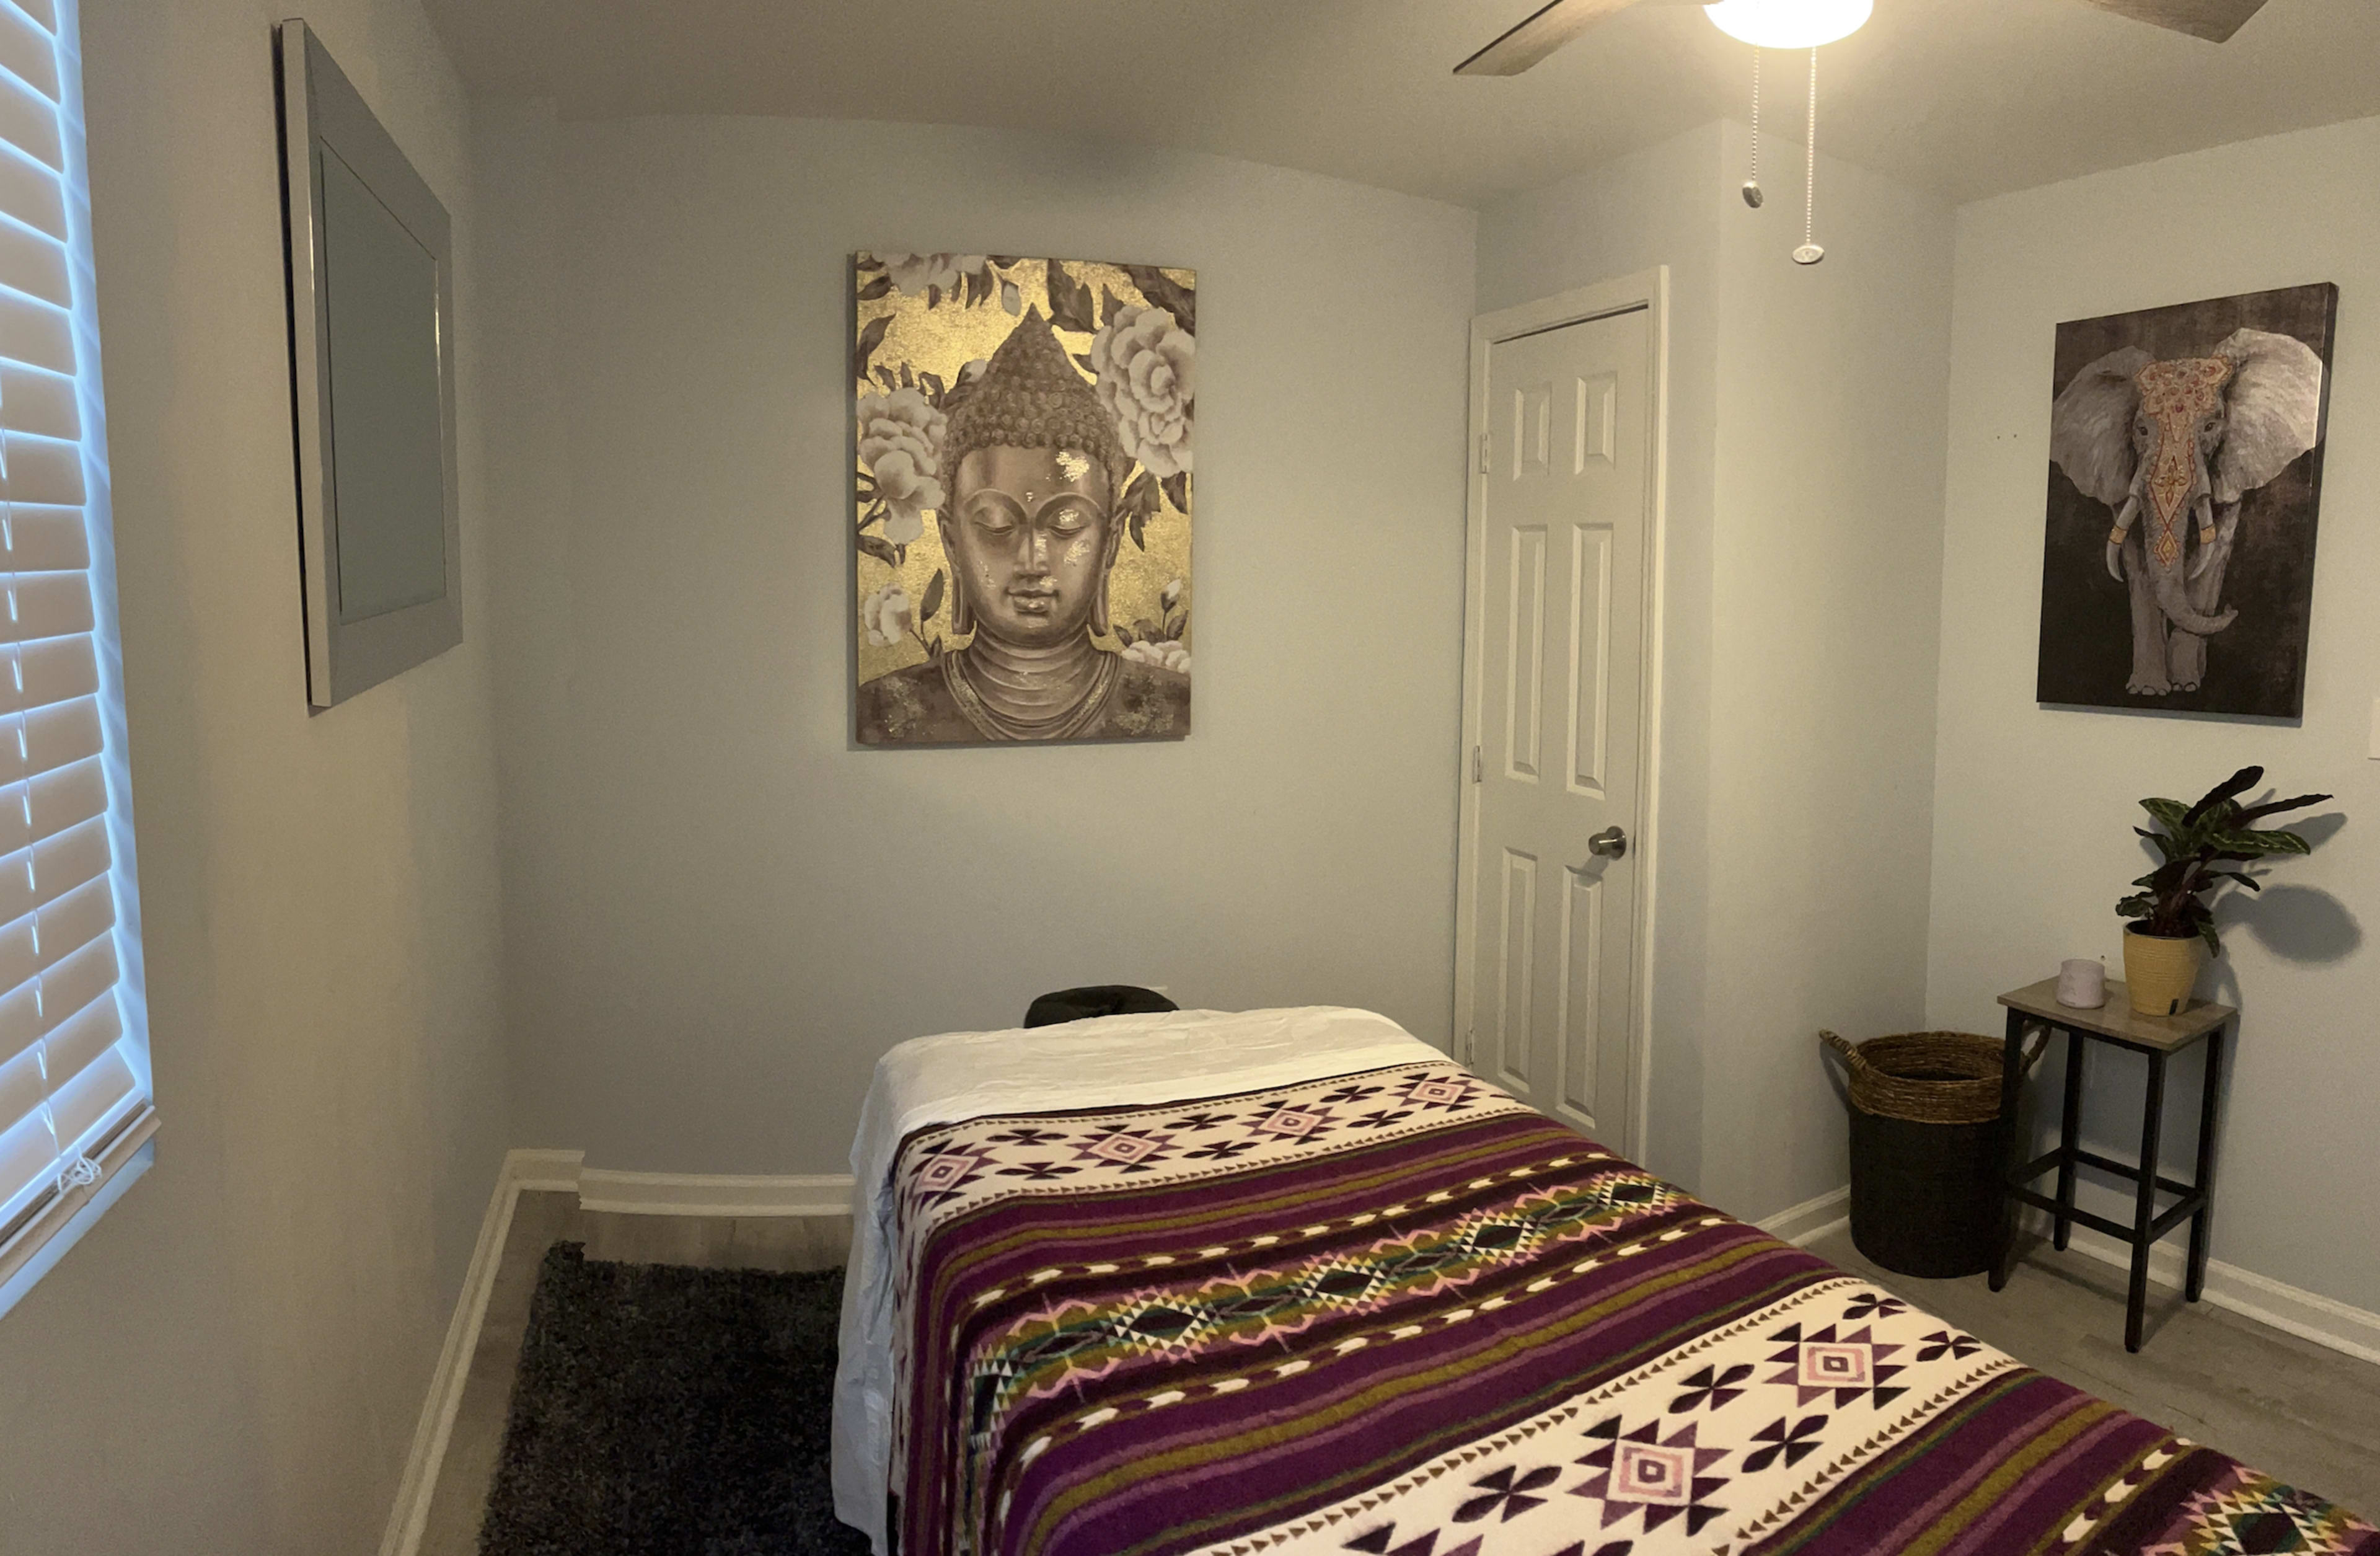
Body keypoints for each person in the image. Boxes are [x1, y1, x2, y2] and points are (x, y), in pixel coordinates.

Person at [858, 307, 1190, 744]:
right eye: (996, 525)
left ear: (1109, 545)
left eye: (1067, 524)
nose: (1032, 559)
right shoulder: (881, 713)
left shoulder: (1173, 707)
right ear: (952, 541)